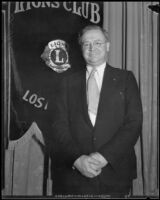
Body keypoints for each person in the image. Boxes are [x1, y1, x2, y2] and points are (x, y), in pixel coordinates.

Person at [51, 25, 143, 197]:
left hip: (115, 171)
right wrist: (77, 159)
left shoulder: (126, 79)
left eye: (98, 43)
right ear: (81, 48)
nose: (92, 48)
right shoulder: (66, 82)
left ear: (108, 46)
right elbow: (58, 126)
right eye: (86, 44)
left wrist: (104, 156)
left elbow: (134, 123)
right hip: (74, 173)